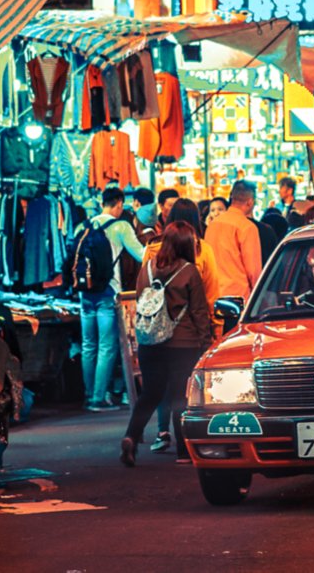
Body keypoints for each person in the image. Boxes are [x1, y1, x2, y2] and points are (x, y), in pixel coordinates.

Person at [119, 222, 212, 467]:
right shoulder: (190, 271)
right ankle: (183, 452)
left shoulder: (147, 268)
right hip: (184, 343)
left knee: (150, 393)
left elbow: (141, 301)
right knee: (181, 396)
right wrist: (206, 343)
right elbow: (199, 311)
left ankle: (131, 436)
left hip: (150, 342)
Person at [73, 186, 145, 411]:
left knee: (88, 345)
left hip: (85, 293)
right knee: (107, 346)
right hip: (108, 292)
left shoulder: (83, 226)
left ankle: (88, 394)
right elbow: (141, 255)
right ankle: (98, 398)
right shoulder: (121, 226)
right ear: (119, 204)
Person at [204, 179, 265, 301]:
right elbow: (253, 272)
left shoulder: (212, 225)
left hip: (213, 294)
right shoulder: (247, 227)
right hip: (238, 297)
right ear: (250, 202)